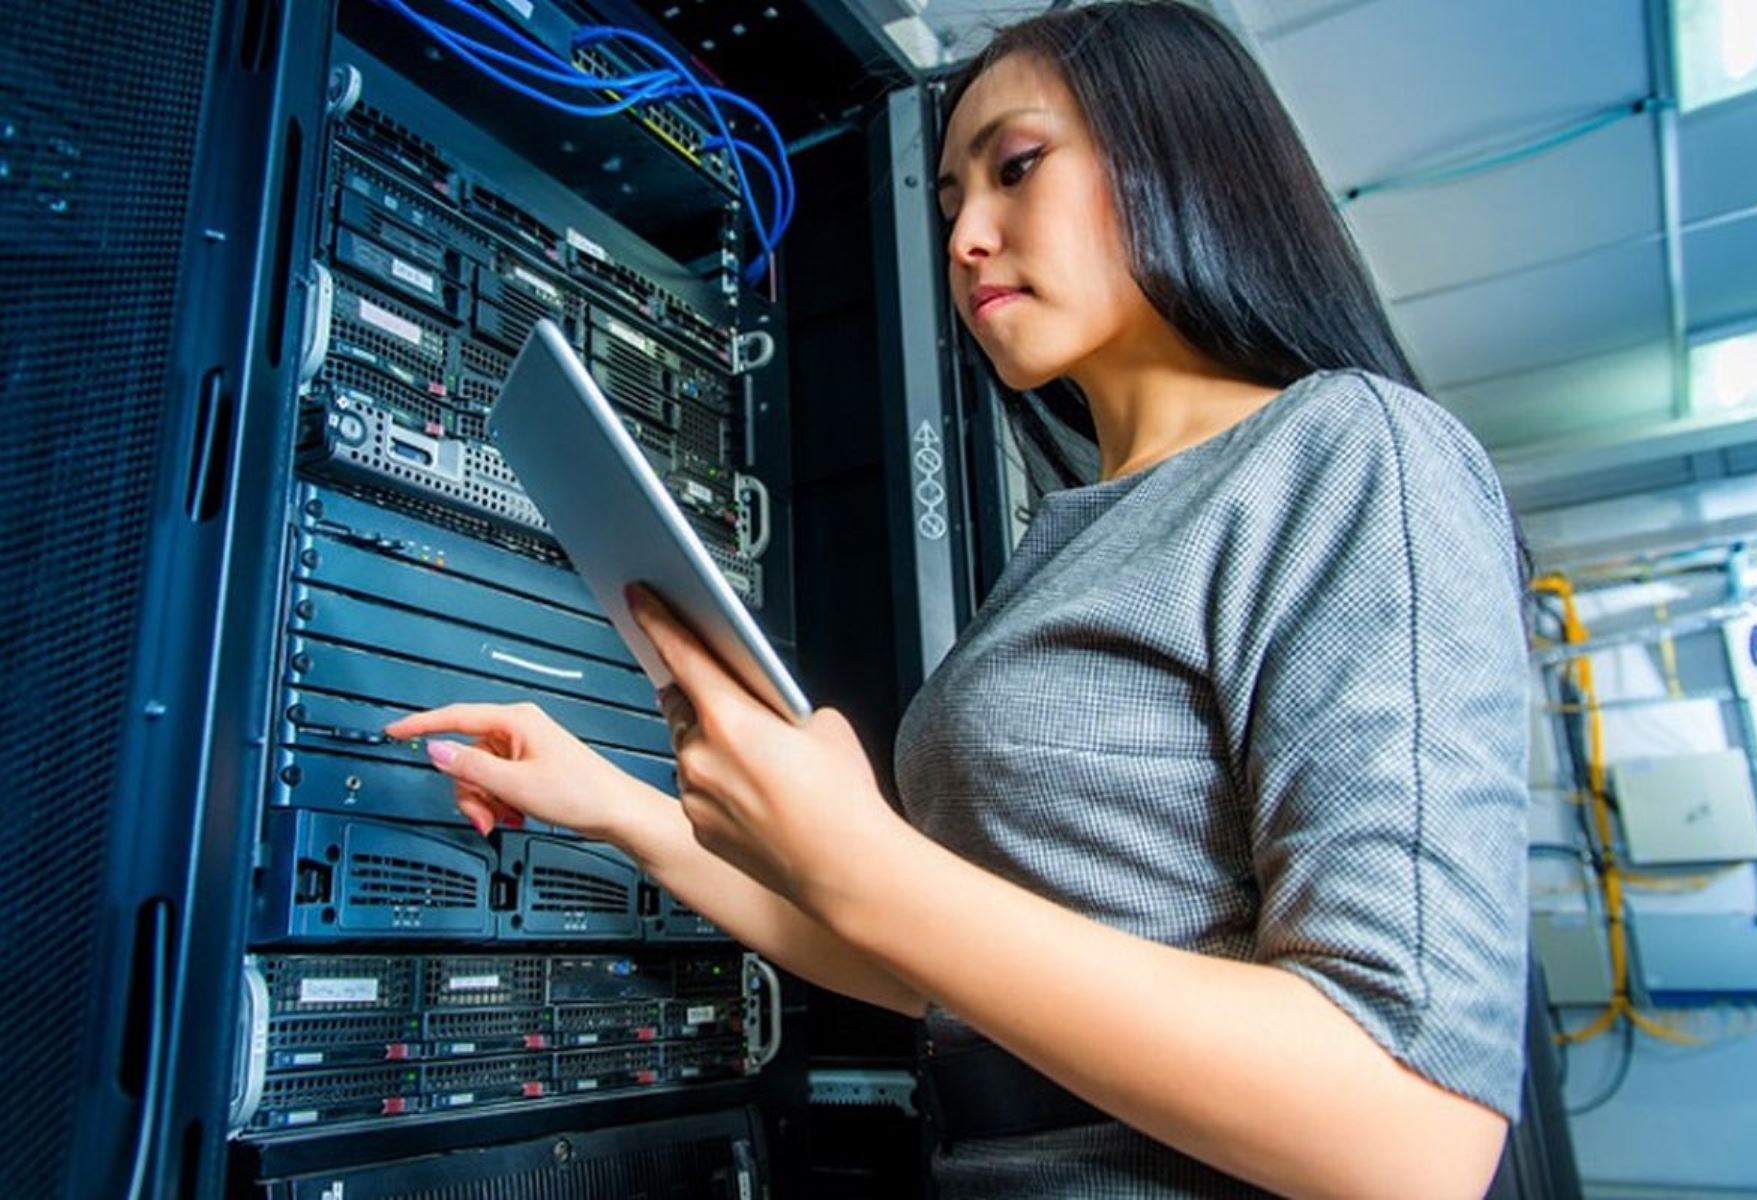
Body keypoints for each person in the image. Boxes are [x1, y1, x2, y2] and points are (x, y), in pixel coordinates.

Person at [387, 3, 1530, 1195]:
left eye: (1017, 168)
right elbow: (938, 968)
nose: (969, 237)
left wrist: (871, 861)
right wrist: (623, 810)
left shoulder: (1351, 455)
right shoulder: (1070, 539)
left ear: (1182, 156)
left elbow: (1413, 1135)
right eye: (945, 208)